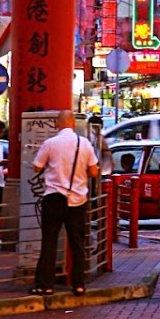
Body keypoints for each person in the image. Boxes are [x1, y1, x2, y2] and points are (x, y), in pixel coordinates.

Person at [31, 111, 98, 297]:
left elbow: (37, 166)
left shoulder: (50, 143)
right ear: (73, 124)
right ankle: (78, 284)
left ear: (57, 124)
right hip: (77, 200)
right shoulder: (84, 144)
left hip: (54, 198)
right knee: (77, 243)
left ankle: (45, 285)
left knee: (49, 242)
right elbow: (93, 171)